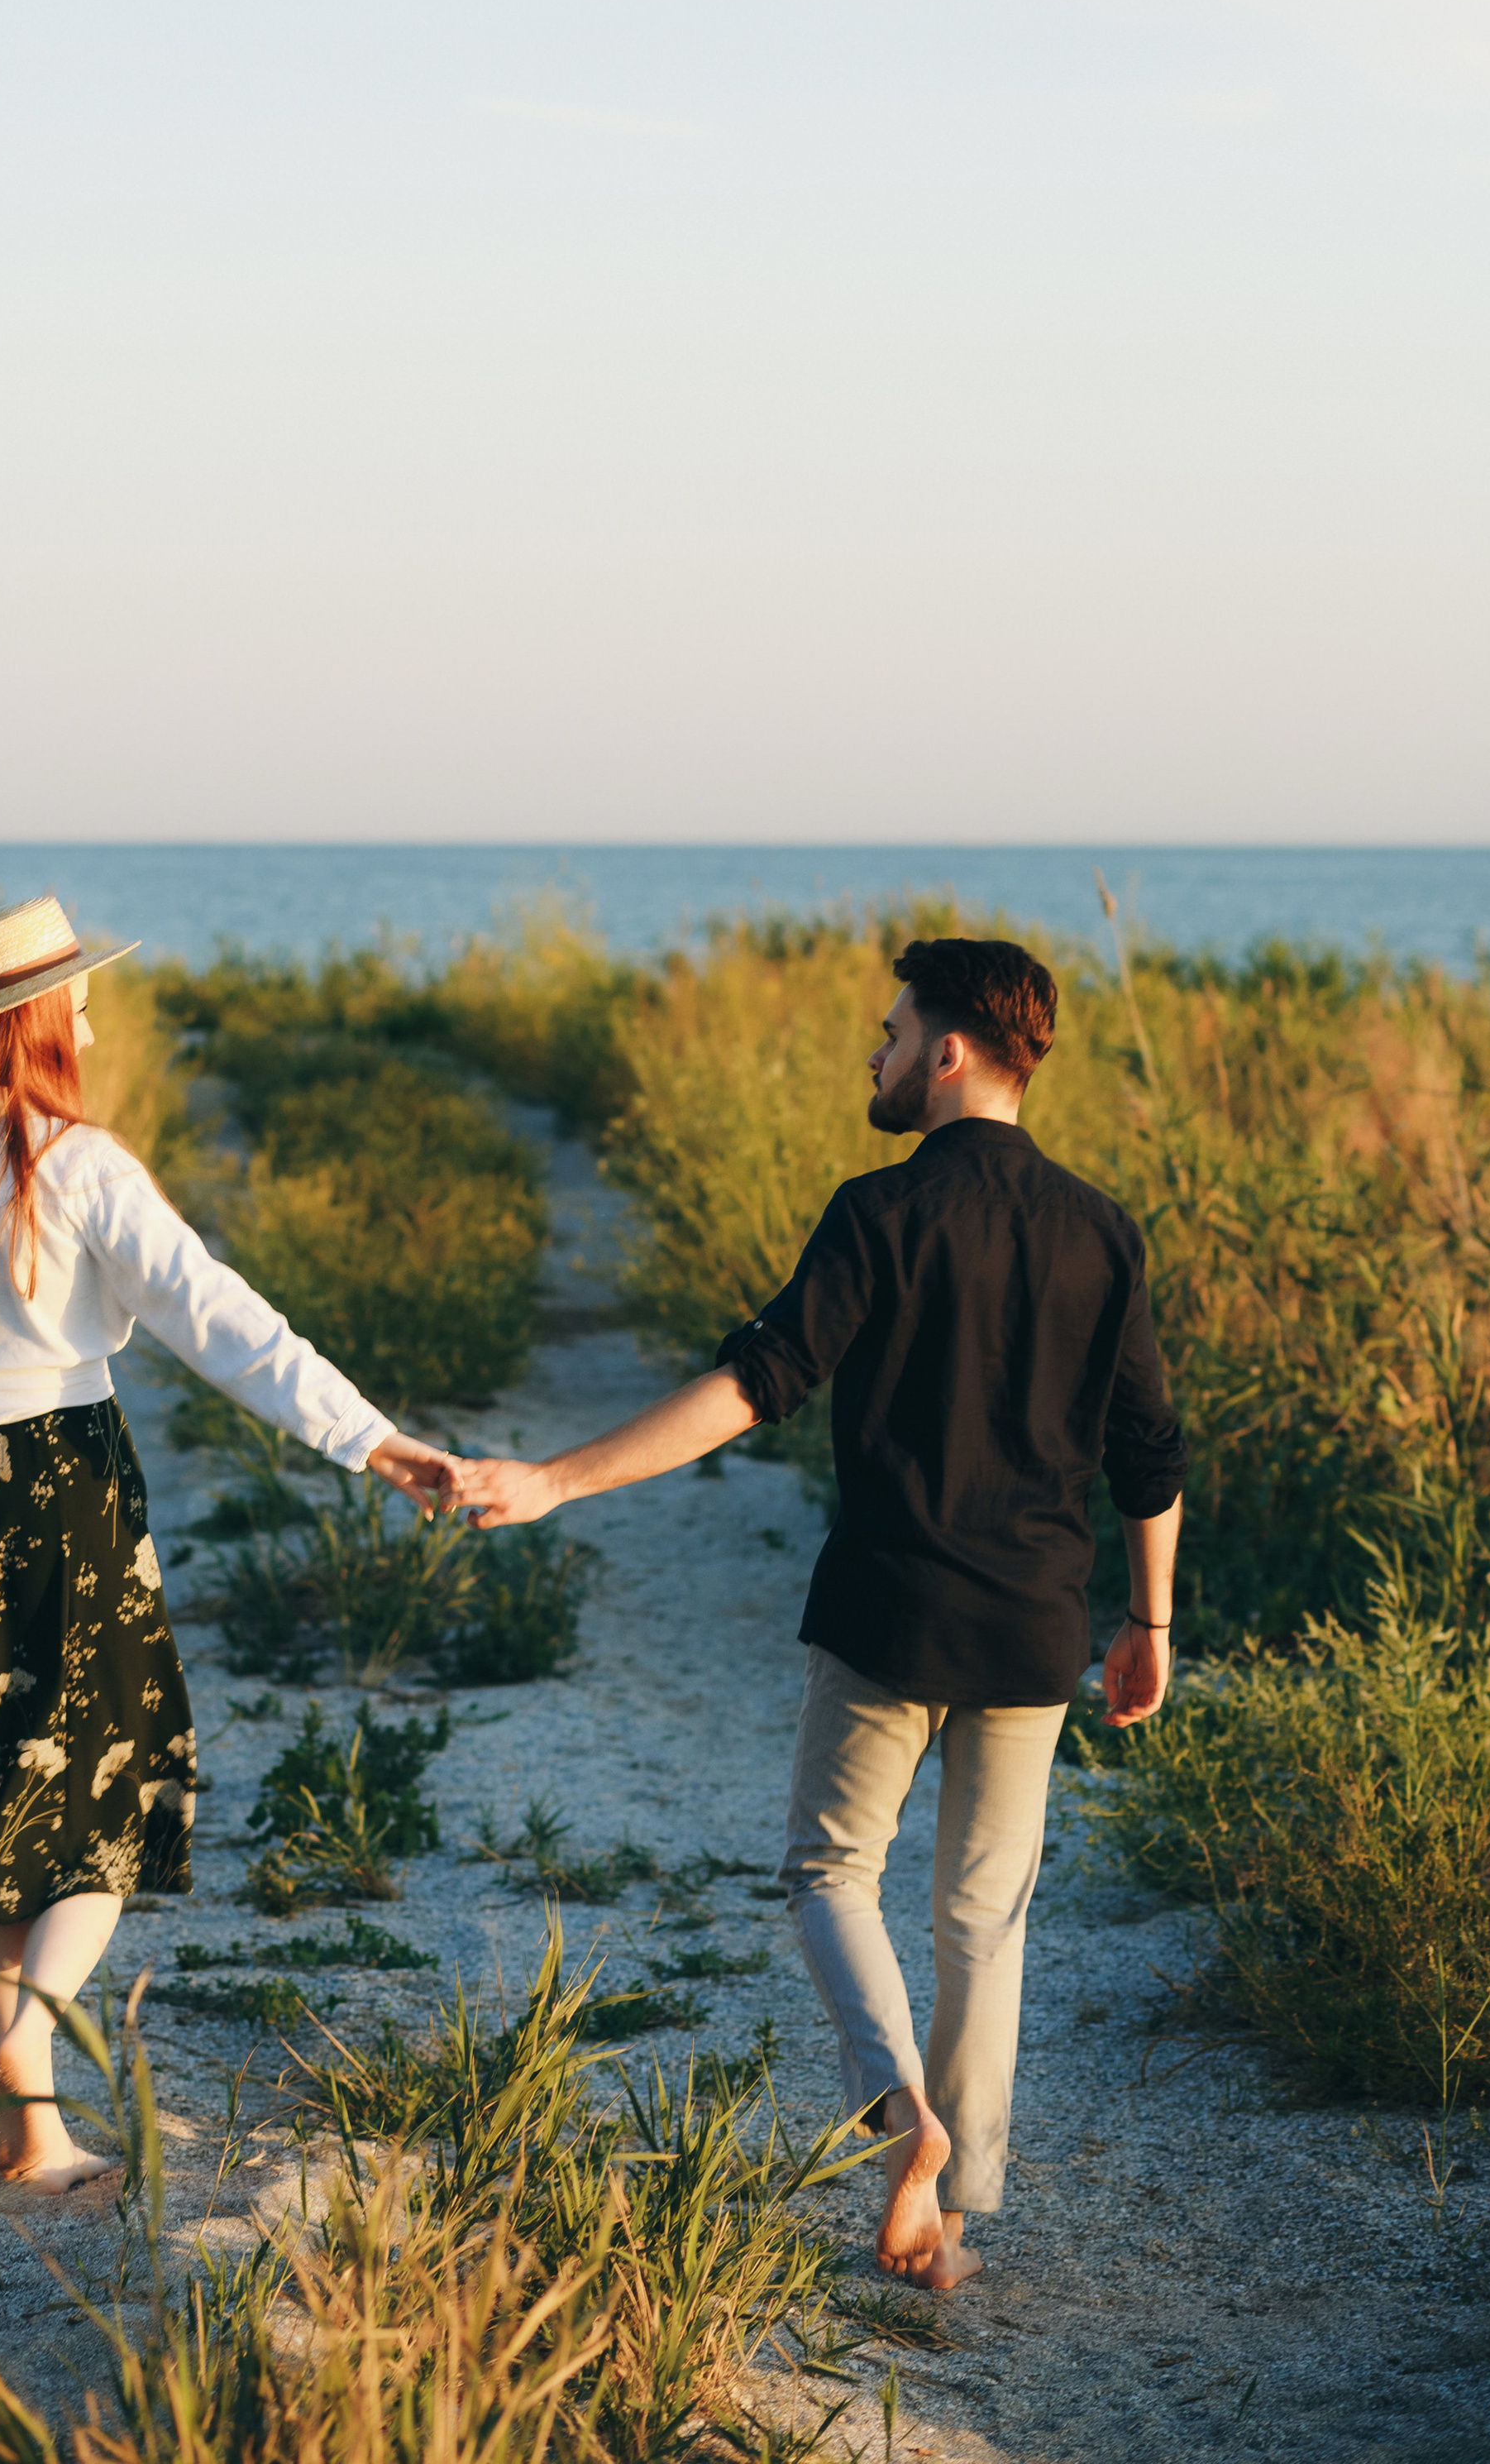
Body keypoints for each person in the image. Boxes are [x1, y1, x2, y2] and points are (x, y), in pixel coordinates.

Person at [447, 936, 1185, 2294]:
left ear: (950, 1051)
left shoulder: (877, 1215)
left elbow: (753, 1387)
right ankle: (952, 2210)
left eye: (894, 1031)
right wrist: (1151, 1622)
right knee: (982, 1919)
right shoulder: (1102, 1229)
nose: (878, 1051)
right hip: (1034, 1633)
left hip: (888, 1616)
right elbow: (1151, 1453)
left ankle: (901, 2123)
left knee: (831, 1872)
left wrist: (554, 1479)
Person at [0, 895, 456, 2193]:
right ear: (35, 1020)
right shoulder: (77, 1163)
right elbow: (220, 1321)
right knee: (109, 1801)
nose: (94, 1014)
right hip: (58, 1506)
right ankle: (37, 2048)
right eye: (80, 995)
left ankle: (30, 2125)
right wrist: (371, 1441)